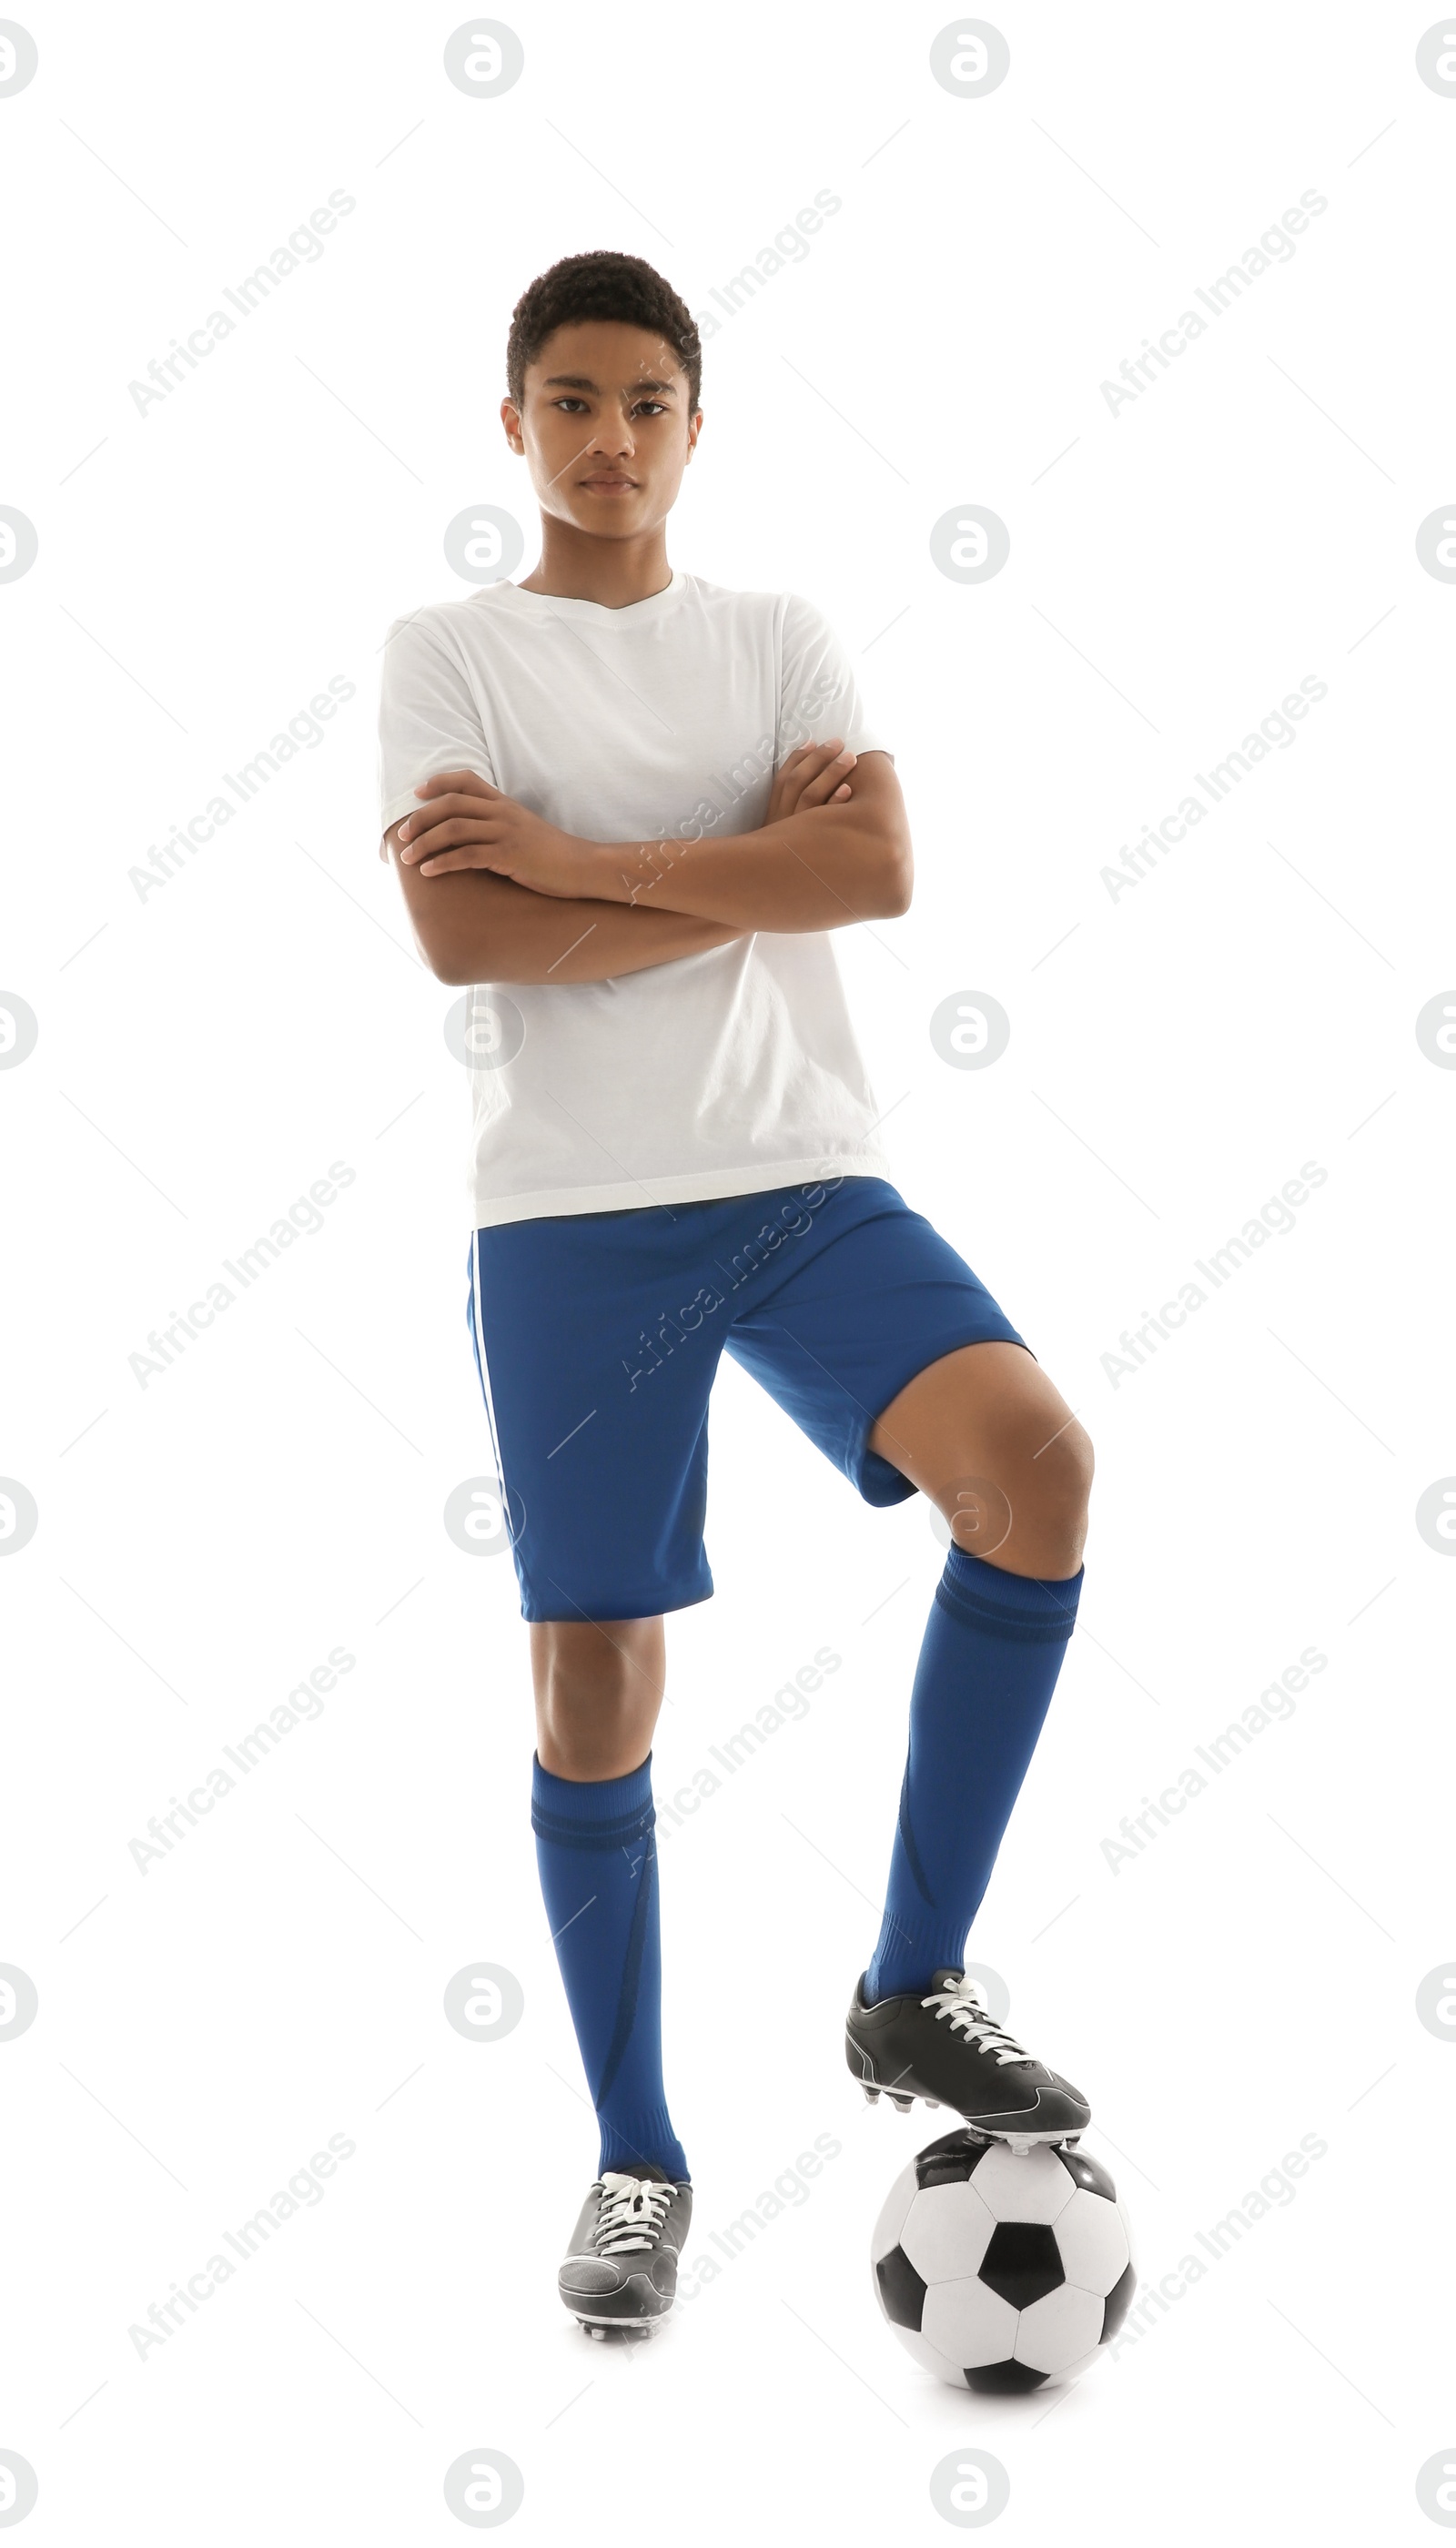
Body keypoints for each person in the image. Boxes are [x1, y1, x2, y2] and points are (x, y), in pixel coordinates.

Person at [376, 250, 1095, 2343]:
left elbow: (864, 878)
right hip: (574, 1220)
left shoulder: (777, 634)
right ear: (511, 421)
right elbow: (457, 939)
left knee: (1033, 1463)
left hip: (801, 1174)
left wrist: (577, 866)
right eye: (573, 400)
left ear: (697, 424)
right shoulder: (447, 655)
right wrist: (712, 867)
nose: (612, 439)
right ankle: (637, 2152)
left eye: (650, 402)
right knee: (594, 1690)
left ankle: (908, 1983)